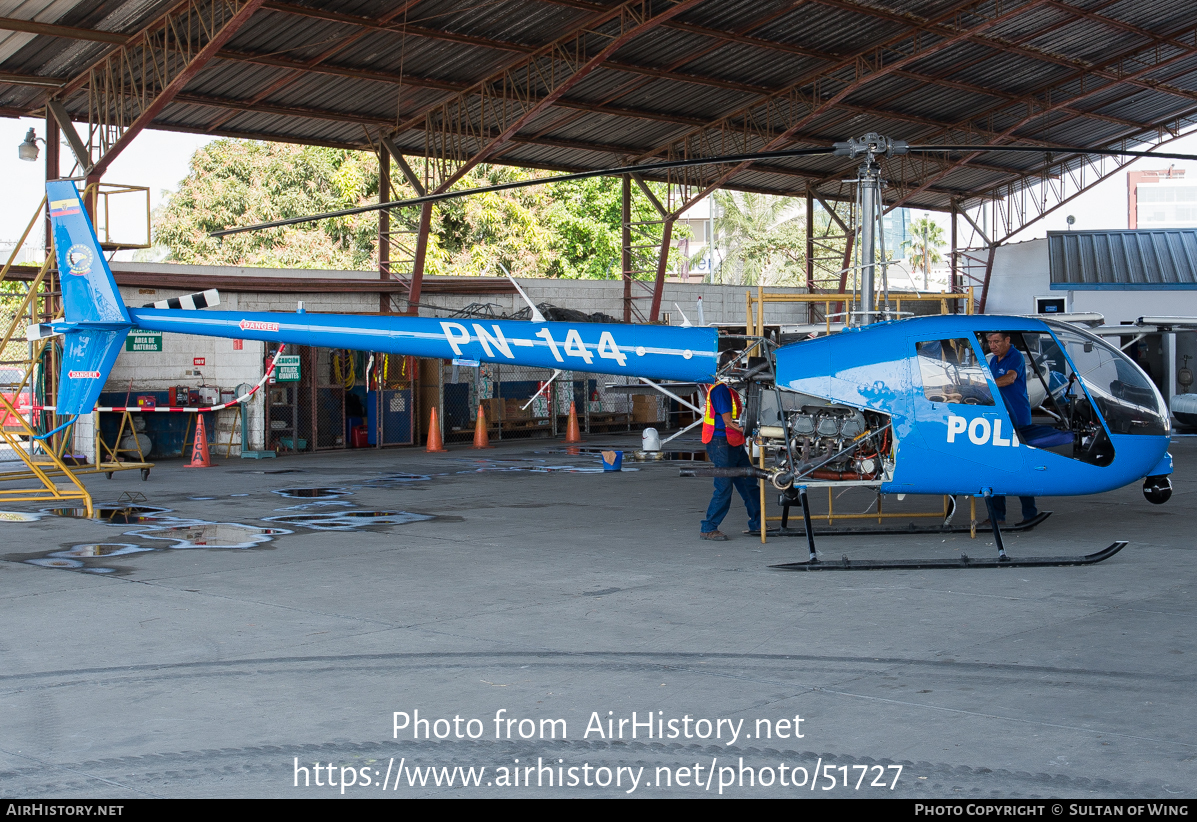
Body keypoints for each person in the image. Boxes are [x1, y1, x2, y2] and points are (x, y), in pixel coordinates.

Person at [985, 331, 1038, 526]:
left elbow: (1010, 379)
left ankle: (1030, 513)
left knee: (1020, 464)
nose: (993, 345)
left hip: (1017, 417)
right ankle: (997, 515)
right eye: (990, 342)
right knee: (996, 464)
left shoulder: (1015, 357)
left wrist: (985, 386)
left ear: (1008, 341)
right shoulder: (994, 361)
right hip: (1002, 418)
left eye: (997, 341)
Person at [699, 376, 761, 540]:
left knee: (748, 482)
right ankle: (708, 527)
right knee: (724, 486)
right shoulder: (721, 390)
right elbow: (728, 421)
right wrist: (753, 432)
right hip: (721, 443)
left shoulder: (730, 391)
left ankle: (758, 524)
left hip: (732, 442)